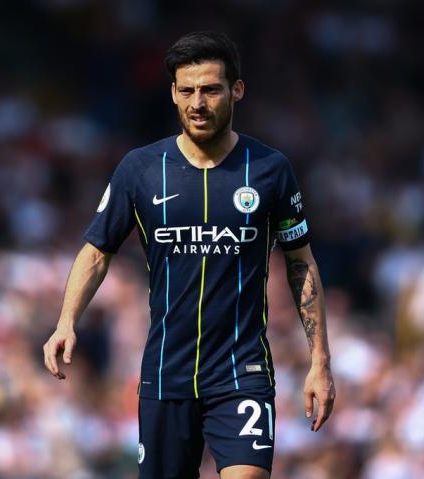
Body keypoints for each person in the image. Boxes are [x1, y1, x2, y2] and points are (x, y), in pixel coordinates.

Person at [43, 31, 336, 479]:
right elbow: (97, 251)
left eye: (211, 89)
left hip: (242, 370)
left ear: (237, 90)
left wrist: (320, 362)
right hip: (166, 373)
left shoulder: (270, 170)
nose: (198, 103)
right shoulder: (140, 169)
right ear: (173, 93)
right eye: (187, 90)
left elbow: (301, 262)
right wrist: (66, 321)